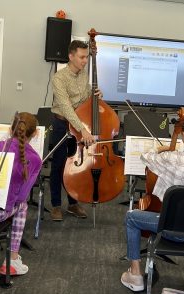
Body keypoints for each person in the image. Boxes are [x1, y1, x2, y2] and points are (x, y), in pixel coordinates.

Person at [121, 112, 184, 293]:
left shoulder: (174, 159)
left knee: (131, 217)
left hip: (172, 231)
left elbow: (145, 157)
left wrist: (159, 150)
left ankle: (136, 274)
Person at [50, 40, 102, 221]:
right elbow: (66, 108)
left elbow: (86, 96)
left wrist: (96, 95)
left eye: (86, 57)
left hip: (79, 126)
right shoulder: (59, 78)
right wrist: (82, 130)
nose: (85, 61)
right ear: (71, 56)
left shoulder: (83, 75)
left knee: (74, 166)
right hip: (62, 124)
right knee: (58, 166)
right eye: (81, 57)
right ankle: (56, 205)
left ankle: (73, 204)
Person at [0, 112, 42, 275]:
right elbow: (21, 197)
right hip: (1, 212)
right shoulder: (35, 159)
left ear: (11, 130)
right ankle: (12, 261)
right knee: (22, 206)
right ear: (35, 133)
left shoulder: (0, 145)